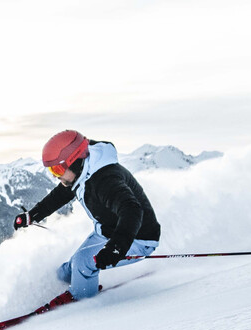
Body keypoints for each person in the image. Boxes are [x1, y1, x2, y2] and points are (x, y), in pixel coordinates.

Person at [14, 130, 162, 303]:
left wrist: (116, 248)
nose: (57, 176)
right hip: (107, 231)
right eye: (52, 171)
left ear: (75, 161)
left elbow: (132, 210)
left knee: (83, 263)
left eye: (58, 169)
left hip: (137, 237)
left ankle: (82, 306)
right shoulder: (83, 171)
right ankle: (71, 284)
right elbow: (60, 195)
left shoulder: (106, 180)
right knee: (66, 271)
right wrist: (32, 215)